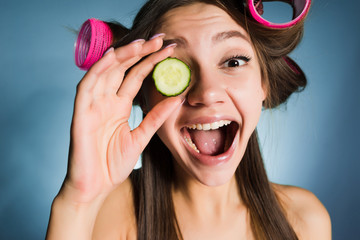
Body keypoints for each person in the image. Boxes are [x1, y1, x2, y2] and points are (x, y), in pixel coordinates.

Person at [46, 0, 331, 239]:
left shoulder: (306, 221)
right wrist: (79, 201)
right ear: (143, 95)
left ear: (263, 84)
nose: (206, 93)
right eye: (174, 68)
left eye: (233, 61)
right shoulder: (102, 218)